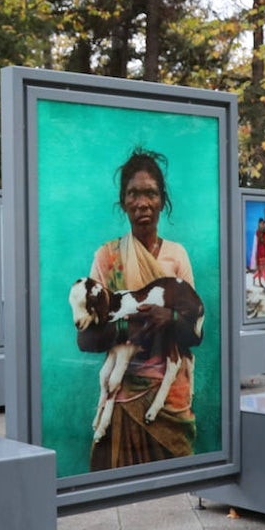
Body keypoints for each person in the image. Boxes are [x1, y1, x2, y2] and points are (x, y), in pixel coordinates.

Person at [75, 147, 203, 470]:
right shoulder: (108, 258)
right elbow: (85, 339)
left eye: (151, 193)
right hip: (120, 400)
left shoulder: (177, 257)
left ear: (162, 200)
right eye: (134, 194)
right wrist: (129, 327)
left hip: (169, 401)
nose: (142, 203)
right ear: (123, 201)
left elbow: (196, 332)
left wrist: (170, 319)